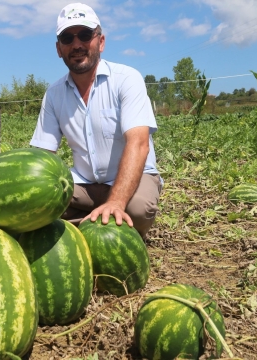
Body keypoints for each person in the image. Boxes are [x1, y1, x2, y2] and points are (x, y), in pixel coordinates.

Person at [30, 2, 162, 238]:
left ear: (100, 41)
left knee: (137, 210)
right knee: (37, 203)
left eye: (85, 35)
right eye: (67, 38)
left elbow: (138, 143)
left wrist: (117, 201)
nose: (77, 44)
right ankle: (95, 221)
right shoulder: (54, 93)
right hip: (84, 184)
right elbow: (42, 154)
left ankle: (90, 221)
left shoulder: (126, 79)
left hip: (135, 177)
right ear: (59, 48)